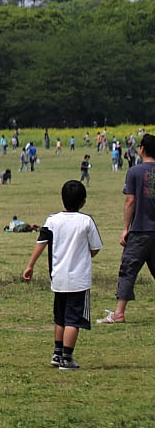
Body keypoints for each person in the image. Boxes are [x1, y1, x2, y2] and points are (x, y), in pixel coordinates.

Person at [22, 180, 102, 369]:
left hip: (58, 278)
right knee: (73, 320)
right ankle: (67, 358)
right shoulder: (86, 221)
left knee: (60, 318)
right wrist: (84, 254)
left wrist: (30, 266)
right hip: (79, 280)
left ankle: (57, 354)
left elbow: (41, 243)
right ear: (83, 201)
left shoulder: (52, 220)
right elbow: (95, 248)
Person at [97, 133, 155, 325]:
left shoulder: (135, 172)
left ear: (142, 149)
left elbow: (130, 201)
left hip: (140, 230)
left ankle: (119, 313)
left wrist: (125, 228)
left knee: (128, 270)